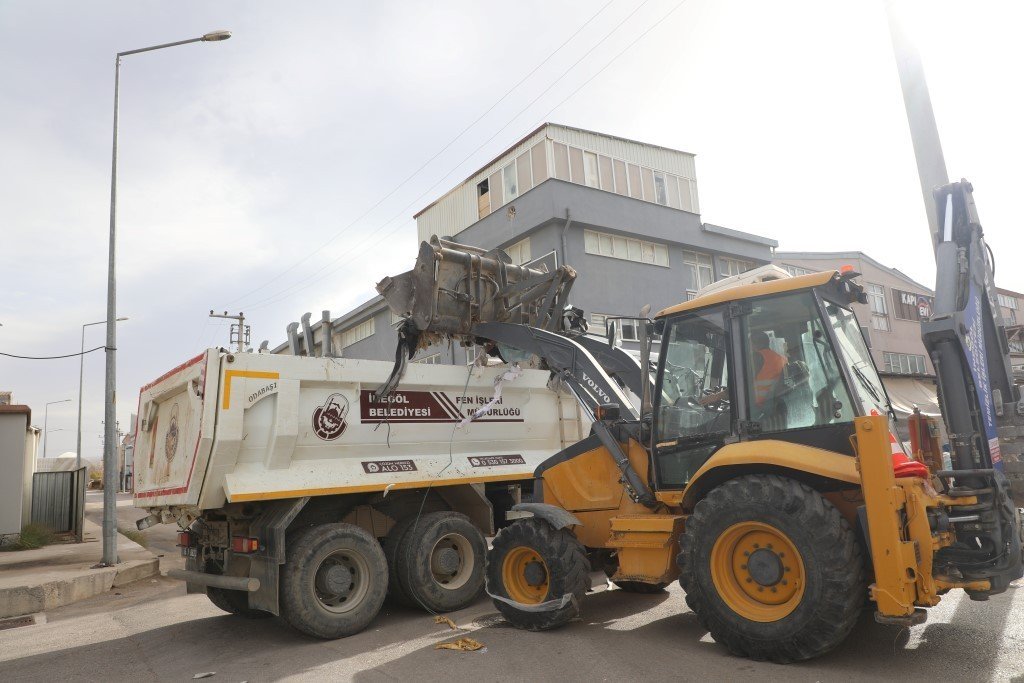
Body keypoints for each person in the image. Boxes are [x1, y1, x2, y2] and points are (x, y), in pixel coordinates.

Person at [752, 330, 787, 408]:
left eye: (751, 344)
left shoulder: (756, 357)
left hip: (758, 408)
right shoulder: (780, 358)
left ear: (755, 344)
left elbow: (743, 383)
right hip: (775, 404)